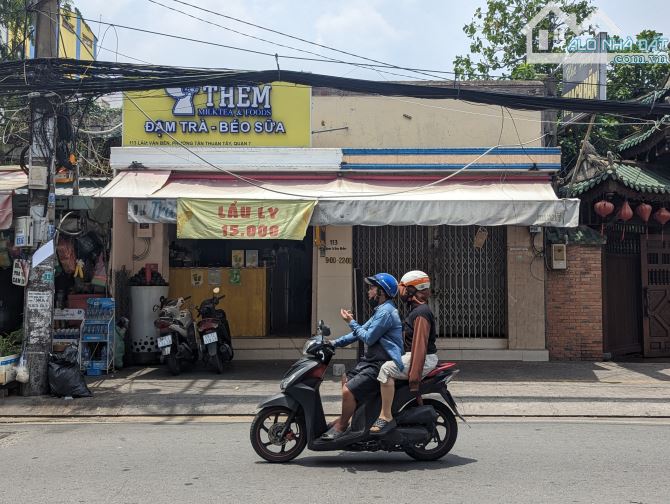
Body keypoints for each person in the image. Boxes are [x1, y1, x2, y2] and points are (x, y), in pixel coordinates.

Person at [321, 273, 404, 441]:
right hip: (371, 361)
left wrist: (351, 321)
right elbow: (358, 333)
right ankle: (348, 419)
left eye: (372, 288)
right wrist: (333, 343)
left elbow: (368, 337)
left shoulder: (386, 313)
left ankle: (342, 426)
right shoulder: (380, 311)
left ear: (382, 292)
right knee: (346, 378)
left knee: (348, 390)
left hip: (381, 363)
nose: (369, 291)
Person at [370, 270, 438, 434]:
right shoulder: (415, 310)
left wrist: (414, 379)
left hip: (422, 358)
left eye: (403, 288)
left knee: (386, 370)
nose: (400, 292)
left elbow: (419, 346)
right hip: (413, 355)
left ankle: (385, 416)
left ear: (412, 289)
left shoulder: (421, 313)